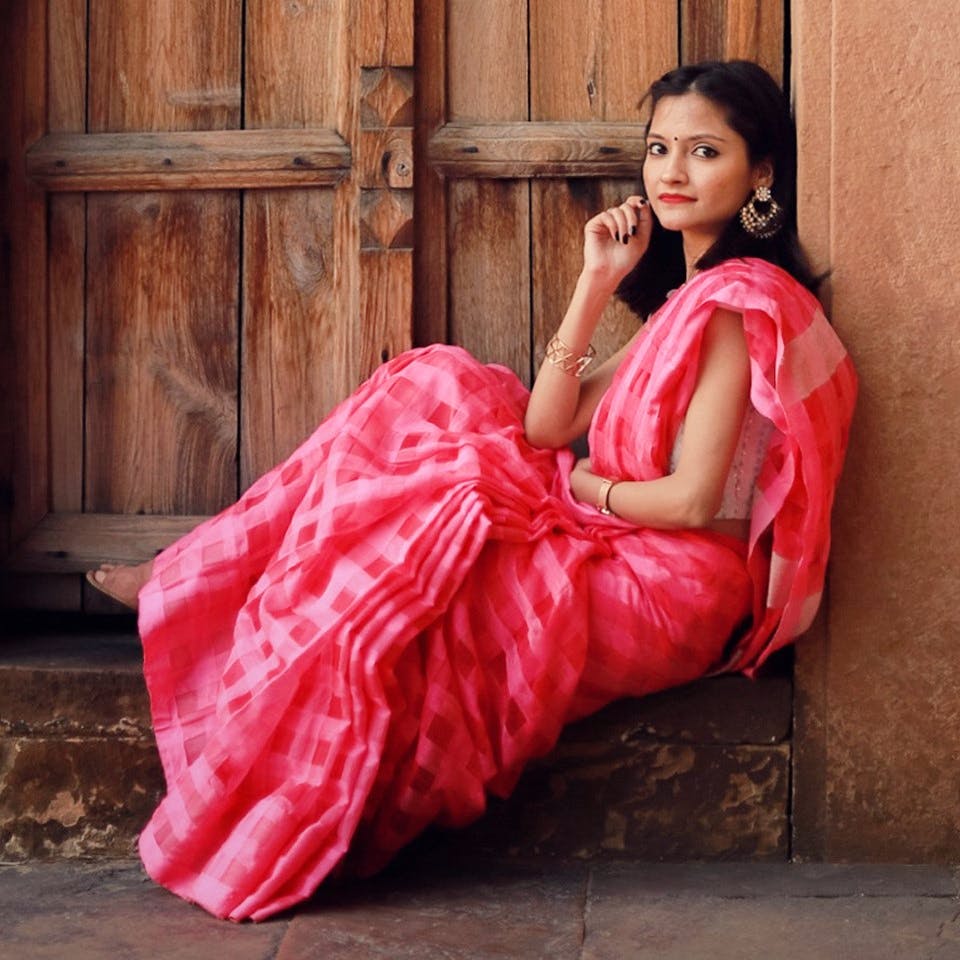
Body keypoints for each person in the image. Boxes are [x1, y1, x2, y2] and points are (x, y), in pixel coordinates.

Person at [87, 60, 856, 921]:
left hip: (675, 575)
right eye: (659, 149)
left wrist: (589, 494)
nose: (671, 173)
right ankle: (208, 582)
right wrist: (594, 281)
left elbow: (685, 503)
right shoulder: (686, 302)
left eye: (704, 151)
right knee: (436, 388)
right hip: (624, 526)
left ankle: (218, 613)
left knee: (441, 551)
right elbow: (544, 428)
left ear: (761, 173)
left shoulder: (733, 309)